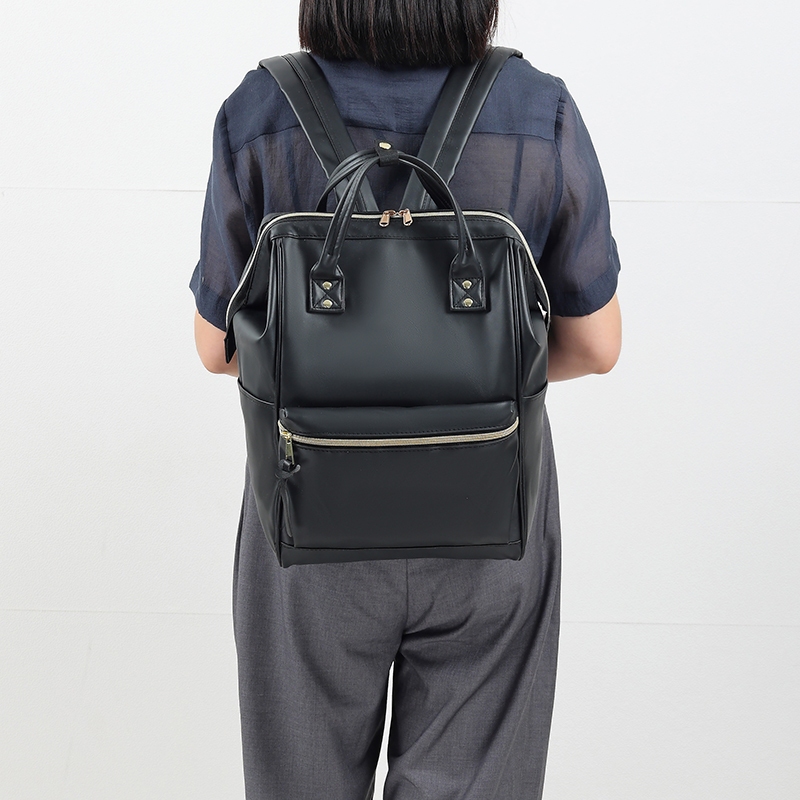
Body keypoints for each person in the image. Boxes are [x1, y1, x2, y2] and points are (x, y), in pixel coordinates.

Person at [190, 1, 622, 797]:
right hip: (491, 516)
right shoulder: (537, 112)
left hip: (309, 515)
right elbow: (597, 345)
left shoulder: (260, 111)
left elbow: (217, 347)